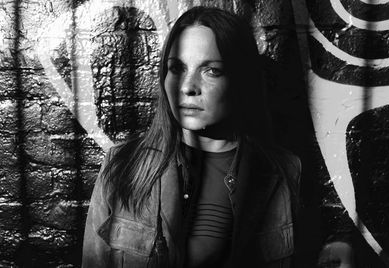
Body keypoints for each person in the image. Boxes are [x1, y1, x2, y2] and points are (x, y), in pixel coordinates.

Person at [82, 6, 301, 268]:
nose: (187, 87)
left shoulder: (283, 171)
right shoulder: (123, 166)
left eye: (211, 71)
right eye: (177, 68)